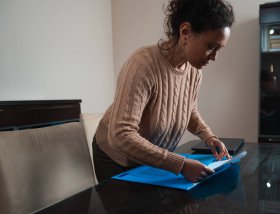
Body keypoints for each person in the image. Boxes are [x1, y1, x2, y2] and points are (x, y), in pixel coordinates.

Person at [92, 0, 235, 184]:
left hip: (148, 160)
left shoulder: (194, 71)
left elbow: (188, 110)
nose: (214, 57)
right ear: (185, 33)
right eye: (210, 47)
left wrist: (208, 137)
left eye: (218, 49)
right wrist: (181, 164)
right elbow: (121, 134)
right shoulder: (143, 65)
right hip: (115, 158)